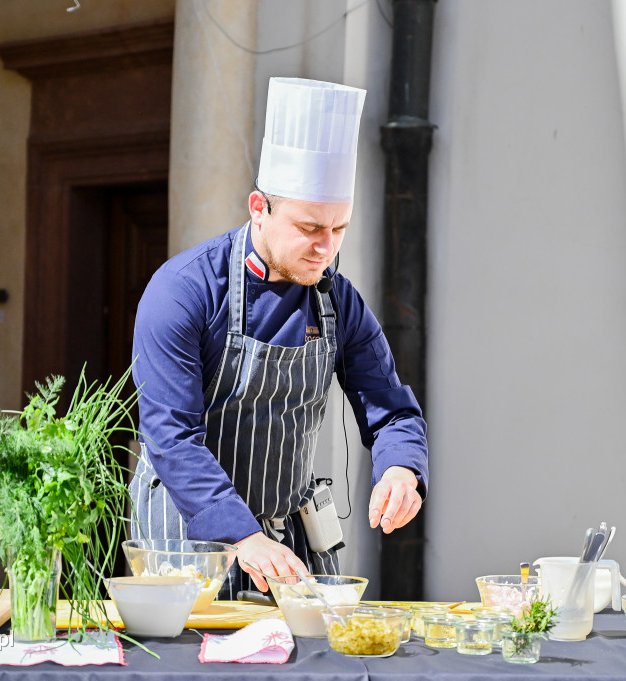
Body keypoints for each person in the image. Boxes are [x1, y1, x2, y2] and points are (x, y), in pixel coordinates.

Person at [130, 77, 429, 596]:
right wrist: (242, 535)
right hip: (186, 539)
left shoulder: (338, 301)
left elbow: (392, 409)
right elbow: (171, 436)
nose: (325, 248)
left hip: (290, 539)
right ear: (259, 208)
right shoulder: (182, 292)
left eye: (339, 230)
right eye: (310, 227)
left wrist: (402, 468)